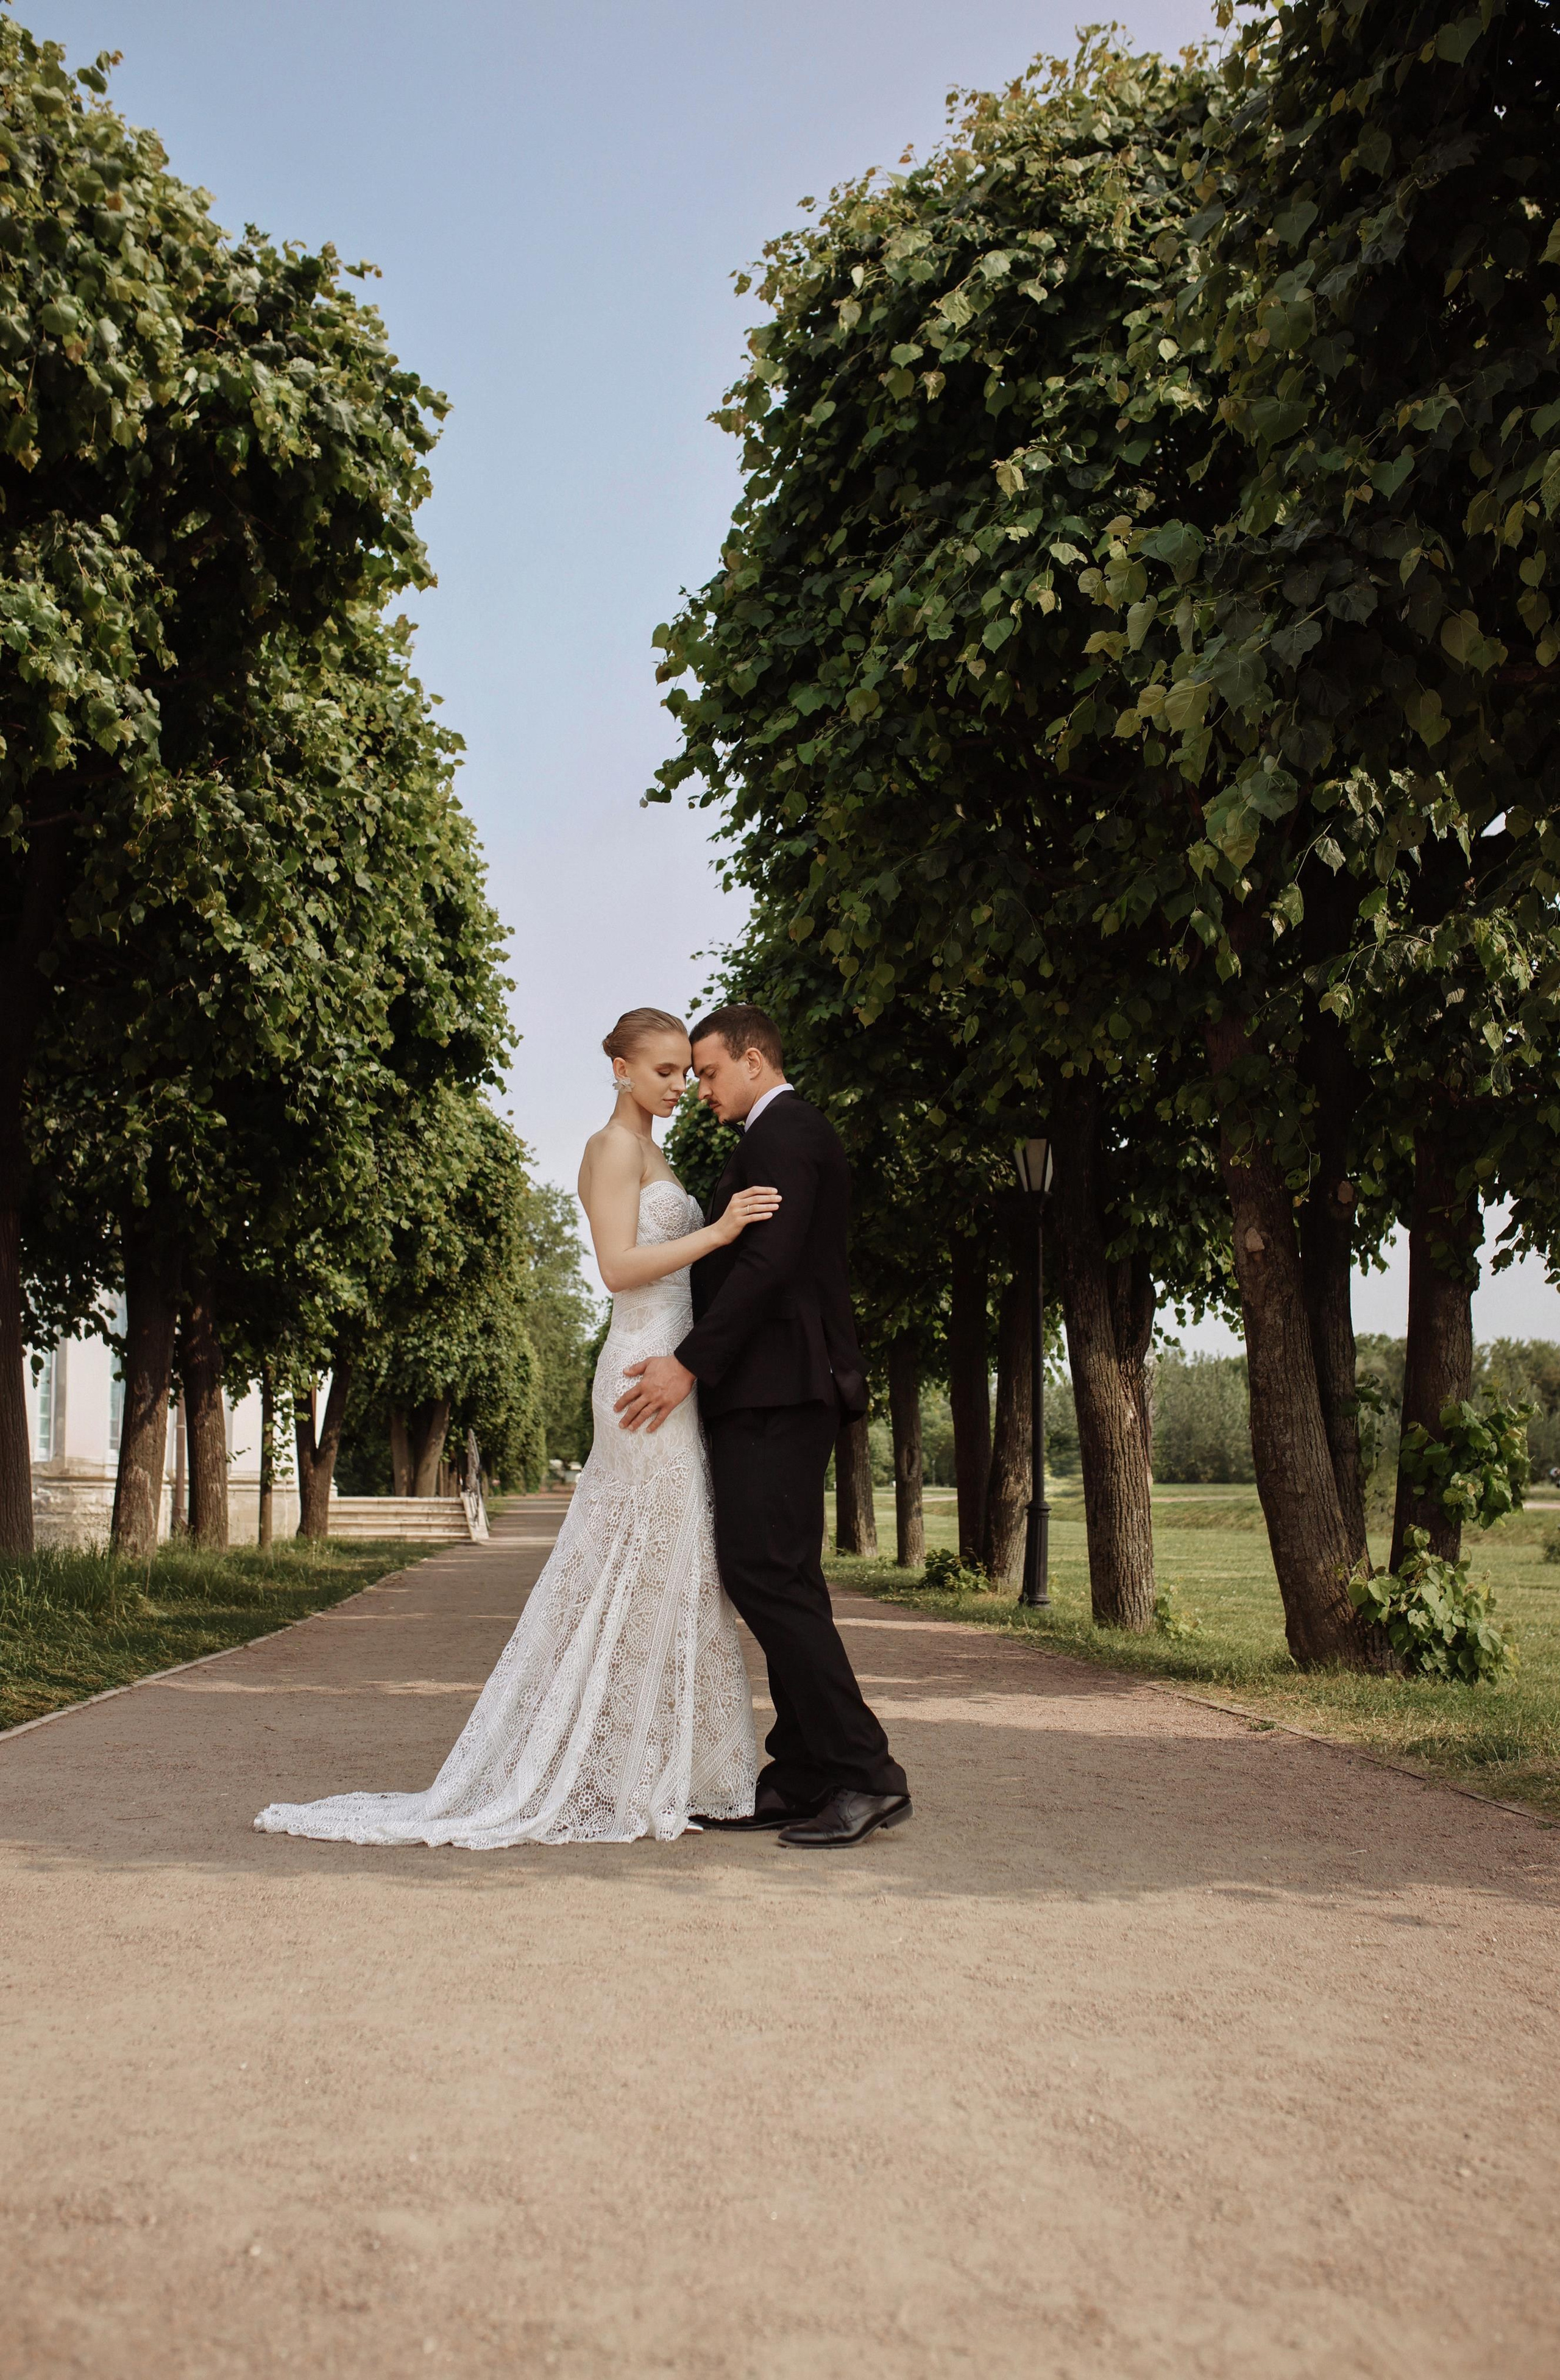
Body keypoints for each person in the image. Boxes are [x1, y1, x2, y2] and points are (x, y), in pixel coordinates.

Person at [254, 1008, 768, 1849]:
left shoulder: (655, 1150)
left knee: (673, 1564)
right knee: (642, 1560)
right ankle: (617, 1771)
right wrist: (719, 1231)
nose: (680, 1085)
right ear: (619, 1068)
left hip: (674, 1370)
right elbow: (613, 1267)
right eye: (665, 1070)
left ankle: (663, 1767)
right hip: (642, 1371)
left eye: (686, 1071)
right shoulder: (609, 1148)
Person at [614, 1003, 911, 1849]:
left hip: (780, 1388)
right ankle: (805, 1768)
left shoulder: (785, 1132)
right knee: (780, 1573)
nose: (700, 1088)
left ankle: (864, 1770)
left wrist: (689, 1363)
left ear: (752, 1059)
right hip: (772, 1388)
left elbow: (770, 1265)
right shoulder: (776, 1133)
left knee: (765, 1572)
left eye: (708, 1071)